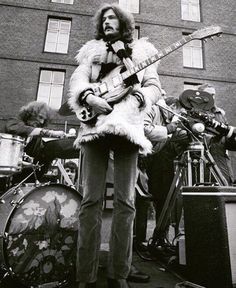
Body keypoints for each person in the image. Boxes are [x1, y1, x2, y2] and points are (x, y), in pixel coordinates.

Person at [68, 3, 162, 287]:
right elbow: (77, 81)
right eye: (104, 18)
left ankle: (119, 274)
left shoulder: (143, 53)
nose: (108, 21)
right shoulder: (91, 52)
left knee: (126, 203)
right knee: (90, 201)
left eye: (113, 18)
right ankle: (86, 274)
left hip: (127, 127)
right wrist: (87, 98)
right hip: (95, 126)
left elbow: (155, 87)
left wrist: (137, 100)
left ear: (123, 23)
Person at [4, 101, 79, 182]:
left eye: (44, 119)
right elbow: (17, 129)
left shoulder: (36, 140)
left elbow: (48, 149)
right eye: (40, 117)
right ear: (30, 114)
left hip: (25, 176)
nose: (42, 122)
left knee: (51, 147)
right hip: (5, 170)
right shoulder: (14, 121)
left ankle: (84, 147)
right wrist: (51, 133)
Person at [197, 83, 234, 184]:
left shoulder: (220, 114)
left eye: (213, 95)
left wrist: (232, 140)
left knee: (224, 190)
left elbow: (226, 139)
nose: (212, 97)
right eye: (209, 95)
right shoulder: (194, 112)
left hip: (221, 161)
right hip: (201, 161)